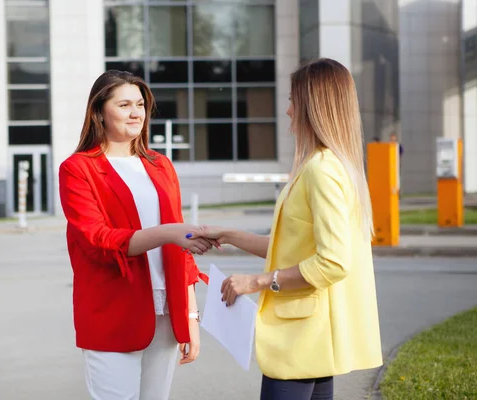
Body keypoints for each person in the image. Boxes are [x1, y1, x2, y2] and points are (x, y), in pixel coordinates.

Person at [189, 58, 383, 399]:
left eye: (293, 101)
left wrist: (257, 281)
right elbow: (293, 246)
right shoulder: (333, 166)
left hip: (302, 337)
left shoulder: (321, 171)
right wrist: (230, 235)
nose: (289, 111)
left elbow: (334, 262)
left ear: (312, 107)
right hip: (312, 338)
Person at [58, 70, 213, 400]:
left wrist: (190, 317)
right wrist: (168, 233)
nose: (135, 113)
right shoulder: (78, 168)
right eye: (124, 104)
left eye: (140, 104)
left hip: (166, 313)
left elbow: (180, 254)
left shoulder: (160, 165)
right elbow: (98, 241)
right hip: (112, 312)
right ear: (99, 111)